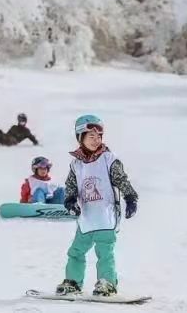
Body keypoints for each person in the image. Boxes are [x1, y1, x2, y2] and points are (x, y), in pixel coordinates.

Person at [55, 114, 139, 297]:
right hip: (86, 218)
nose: (96, 140)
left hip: (106, 216)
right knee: (75, 252)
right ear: (80, 138)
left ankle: (107, 283)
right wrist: (69, 201)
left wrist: (130, 197)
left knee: (104, 253)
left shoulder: (109, 159)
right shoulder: (76, 164)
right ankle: (73, 282)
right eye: (91, 137)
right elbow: (71, 186)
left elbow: (121, 180)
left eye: (99, 136)